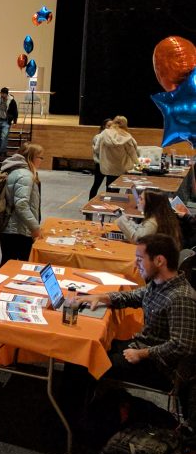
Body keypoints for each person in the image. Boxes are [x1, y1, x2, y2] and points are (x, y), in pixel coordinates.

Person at [76, 234, 196, 395]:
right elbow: (133, 296)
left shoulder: (180, 298)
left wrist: (142, 353)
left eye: (140, 259)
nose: (136, 264)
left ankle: (75, 412)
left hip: (157, 367)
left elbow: (182, 346)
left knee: (84, 363)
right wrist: (101, 297)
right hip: (142, 347)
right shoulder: (160, 283)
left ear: (159, 261)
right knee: (87, 351)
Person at [0, 143, 43, 264]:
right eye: (40, 157)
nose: (41, 161)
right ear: (31, 158)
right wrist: (35, 227)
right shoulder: (25, 176)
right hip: (18, 230)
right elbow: (21, 205)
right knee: (17, 265)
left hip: (11, 227)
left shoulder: (16, 170)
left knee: (8, 263)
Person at [117, 190, 183, 245]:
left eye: (141, 199)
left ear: (150, 203)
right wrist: (124, 217)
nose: (138, 201)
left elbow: (138, 239)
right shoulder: (160, 217)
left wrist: (122, 220)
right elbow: (140, 230)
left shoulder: (153, 222)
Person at [96, 115, 139, 194]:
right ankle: (114, 203)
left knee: (109, 187)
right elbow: (132, 152)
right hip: (120, 167)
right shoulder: (126, 136)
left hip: (107, 167)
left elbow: (97, 149)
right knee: (116, 188)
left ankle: (108, 203)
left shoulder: (104, 133)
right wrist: (138, 164)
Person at [87, 119, 114, 199]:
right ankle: (89, 204)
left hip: (110, 165)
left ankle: (107, 206)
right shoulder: (97, 137)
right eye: (108, 126)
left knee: (110, 186)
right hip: (100, 164)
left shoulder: (114, 138)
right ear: (103, 126)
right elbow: (97, 151)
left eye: (112, 126)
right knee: (96, 184)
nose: (110, 128)